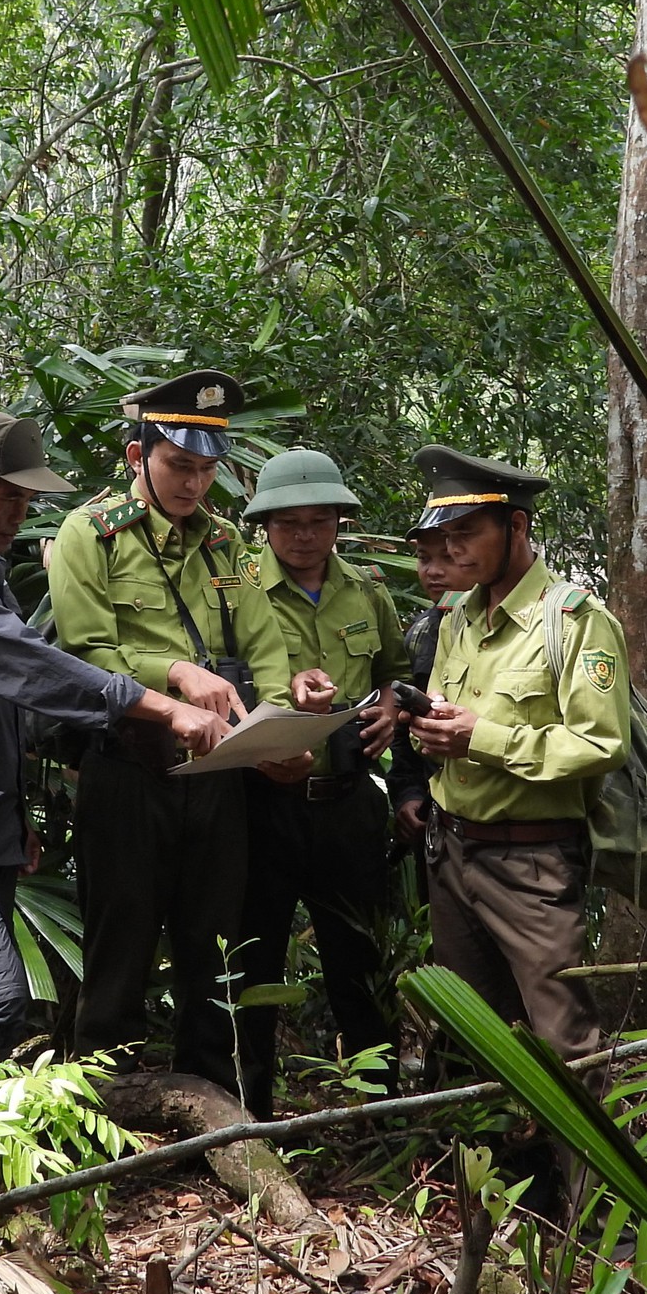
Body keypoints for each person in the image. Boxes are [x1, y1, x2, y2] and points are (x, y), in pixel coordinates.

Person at [0, 409, 228, 1206]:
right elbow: (35, 670)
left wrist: (19, 812)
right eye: (8, 497)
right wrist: (160, 705)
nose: (22, 513)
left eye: (30, 499)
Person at [46, 370, 315, 1088]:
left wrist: (281, 727)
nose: (195, 485)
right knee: (122, 942)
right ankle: (108, 1104)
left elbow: (263, 645)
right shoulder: (90, 535)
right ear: (139, 458)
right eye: (179, 466)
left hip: (220, 774)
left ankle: (213, 1103)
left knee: (215, 945)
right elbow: (85, 652)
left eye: (207, 470)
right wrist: (174, 672)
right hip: (129, 770)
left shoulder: (226, 544)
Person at [403, 445, 628, 1064]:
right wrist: (434, 730)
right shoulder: (457, 617)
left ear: (517, 526)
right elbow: (453, 717)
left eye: (467, 533)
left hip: (529, 862)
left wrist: (480, 737)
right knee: (476, 1036)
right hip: (449, 854)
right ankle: (492, 1160)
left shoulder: (576, 621)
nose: (452, 551)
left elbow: (600, 743)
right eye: (444, 536)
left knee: (565, 1043)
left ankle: (591, 1164)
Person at [233, 448, 410, 1118]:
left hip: (348, 803)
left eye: (319, 521)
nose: (304, 536)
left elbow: (395, 670)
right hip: (263, 806)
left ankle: (376, 1110)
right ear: (265, 527)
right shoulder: (237, 587)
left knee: (359, 963)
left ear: (338, 522)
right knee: (254, 962)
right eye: (288, 524)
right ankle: (248, 1117)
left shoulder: (366, 590)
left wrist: (392, 705)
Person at [384, 522, 466, 847]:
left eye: (447, 558)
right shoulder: (422, 632)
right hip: (435, 816)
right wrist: (408, 793)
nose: (433, 571)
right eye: (423, 558)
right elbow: (403, 726)